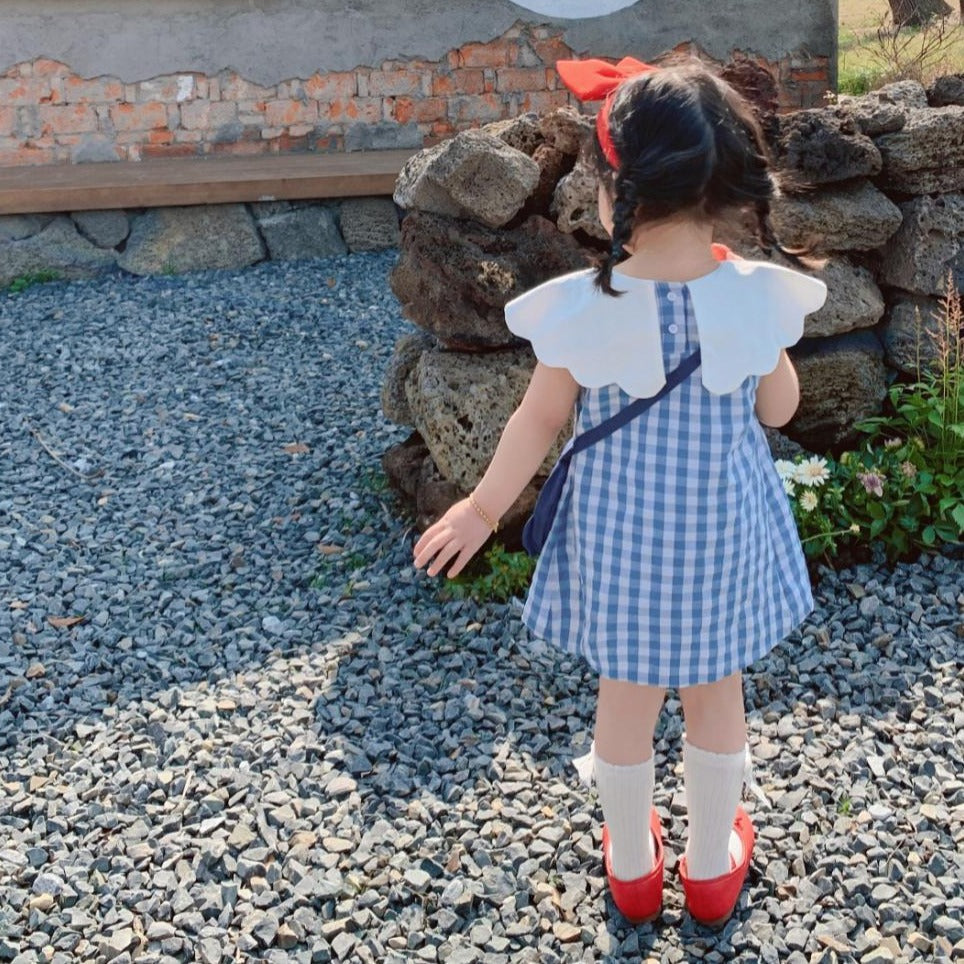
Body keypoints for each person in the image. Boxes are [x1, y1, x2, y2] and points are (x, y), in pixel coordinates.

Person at [413, 56, 827, 928]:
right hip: (720, 534)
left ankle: (634, 869)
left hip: (619, 542)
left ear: (612, 193)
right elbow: (783, 409)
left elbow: (535, 421)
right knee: (718, 696)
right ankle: (712, 869)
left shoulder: (582, 308)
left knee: (625, 701)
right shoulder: (753, 297)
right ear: (721, 188)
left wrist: (482, 509)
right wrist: (759, 346)